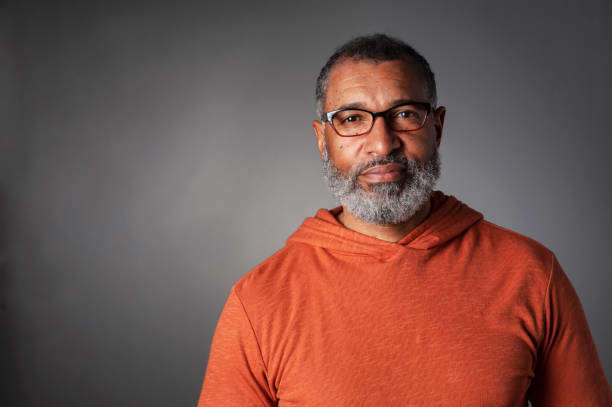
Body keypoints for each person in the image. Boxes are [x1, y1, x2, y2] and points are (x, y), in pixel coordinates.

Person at [197, 34, 612, 406]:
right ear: (322, 140)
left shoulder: (531, 274)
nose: (382, 144)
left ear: (438, 128)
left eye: (406, 114)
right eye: (352, 119)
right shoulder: (259, 300)